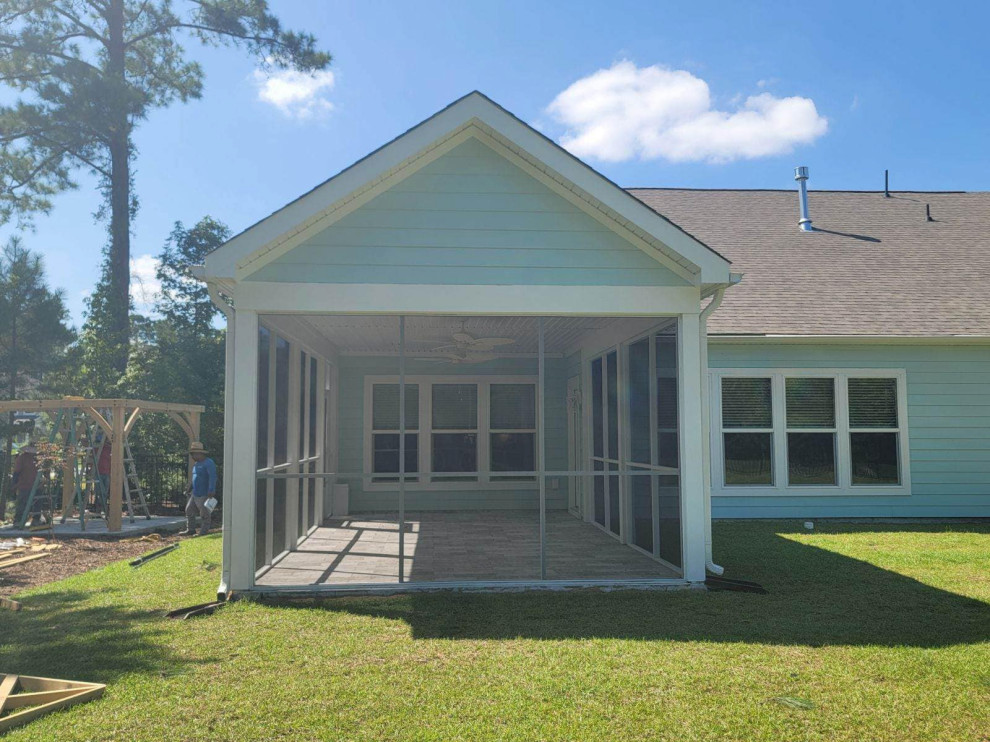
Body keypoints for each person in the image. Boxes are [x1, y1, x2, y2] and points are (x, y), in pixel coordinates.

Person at [181, 441, 217, 536]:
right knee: (189, 510)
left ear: (200, 453)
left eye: (194, 454)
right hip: (195, 493)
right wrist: (189, 488)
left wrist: (211, 490)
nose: (192, 456)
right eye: (192, 454)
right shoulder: (196, 464)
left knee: (204, 513)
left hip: (205, 493)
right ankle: (191, 529)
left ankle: (203, 531)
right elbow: (195, 478)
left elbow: (212, 477)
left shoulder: (209, 463)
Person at [12, 441, 41, 526]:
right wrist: (14, 484)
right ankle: (18, 521)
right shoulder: (22, 458)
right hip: (25, 484)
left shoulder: (38, 458)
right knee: (23, 503)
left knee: (36, 503)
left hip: (35, 485)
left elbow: (16, 472)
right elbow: (16, 472)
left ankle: (35, 520)